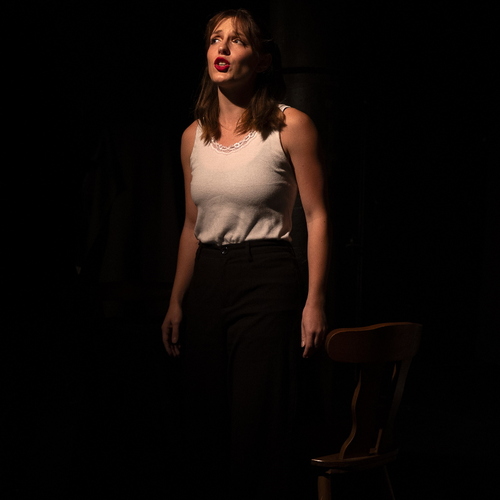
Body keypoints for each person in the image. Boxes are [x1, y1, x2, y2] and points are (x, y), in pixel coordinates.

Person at [161, 8, 329, 499]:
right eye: (216, 38)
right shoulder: (192, 137)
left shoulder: (290, 125)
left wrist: (314, 300)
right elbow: (191, 227)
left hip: (267, 276)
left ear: (261, 60)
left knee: (258, 423)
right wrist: (176, 300)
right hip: (209, 277)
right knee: (204, 422)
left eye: (237, 40)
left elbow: (317, 216)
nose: (223, 47)